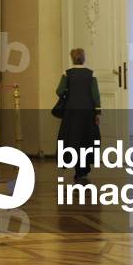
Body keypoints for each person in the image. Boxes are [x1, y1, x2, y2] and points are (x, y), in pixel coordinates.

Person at [56, 48, 102, 181]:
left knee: (73, 140)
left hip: (71, 112)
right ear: (84, 58)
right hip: (88, 112)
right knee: (87, 139)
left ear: (72, 58)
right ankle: (84, 170)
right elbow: (96, 96)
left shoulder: (67, 73)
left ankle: (78, 169)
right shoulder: (91, 74)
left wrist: (68, 92)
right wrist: (97, 112)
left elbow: (59, 91)